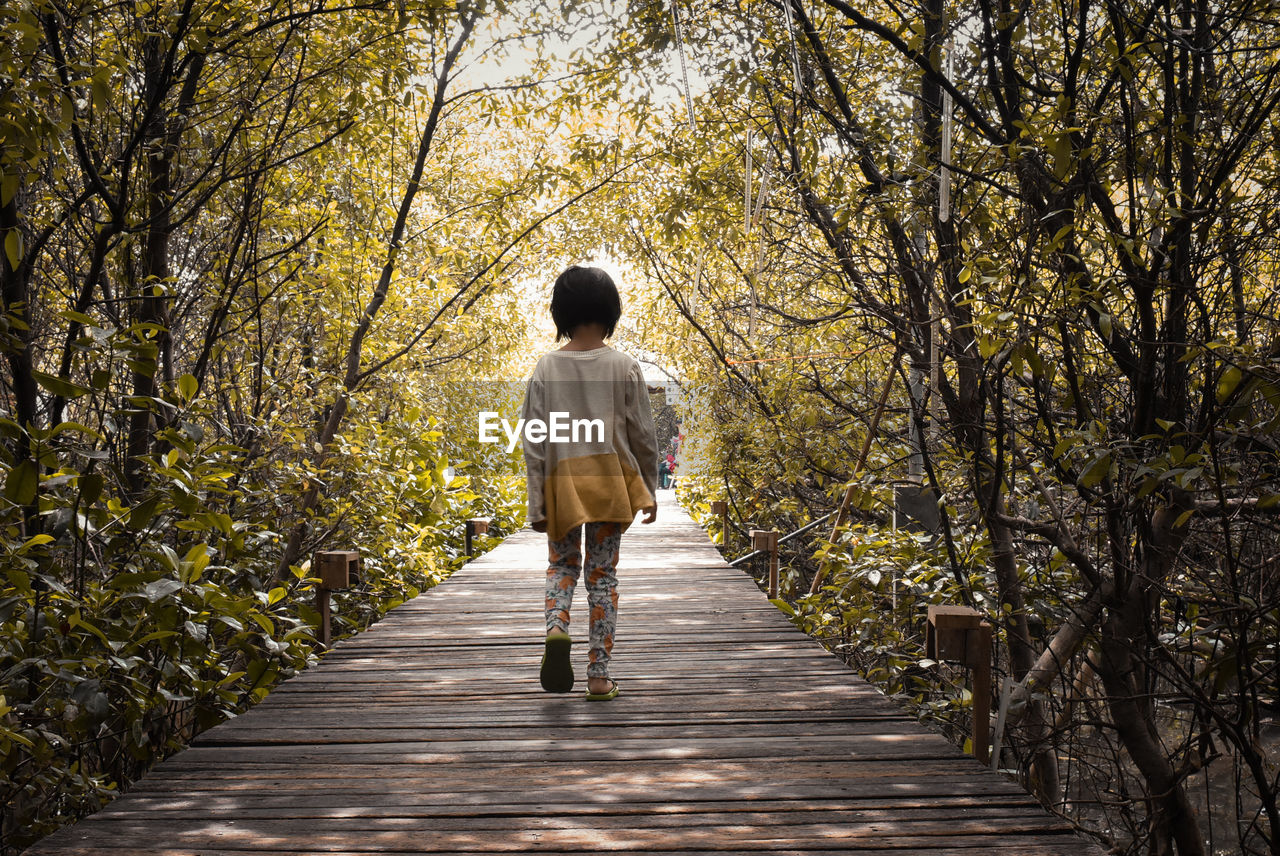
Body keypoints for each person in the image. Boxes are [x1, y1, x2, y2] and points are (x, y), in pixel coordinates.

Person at [521, 265, 659, 701]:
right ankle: (599, 677)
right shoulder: (624, 366)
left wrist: (536, 502)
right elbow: (642, 433)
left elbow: (534, 440)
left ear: (560, 312)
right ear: (610, 311)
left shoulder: (546, 367)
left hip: (563, 483)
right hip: (609, 484)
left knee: (562, 568)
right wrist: (649, 487)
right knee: (602, 577)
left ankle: (557, 628)